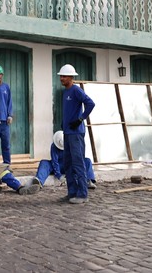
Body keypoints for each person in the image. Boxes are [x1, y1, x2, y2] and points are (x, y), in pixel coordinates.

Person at [58, 64, 95, 204]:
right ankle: (72, 192)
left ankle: (82, 194)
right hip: (67, 132)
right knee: (68, 164)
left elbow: (90, 104)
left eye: (64, 76)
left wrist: (80, 119)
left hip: (76, 133)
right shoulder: (65, 92)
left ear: (71, 78)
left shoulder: (76, 90)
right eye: (61, 76)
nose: (62, 78)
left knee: (78, 163)